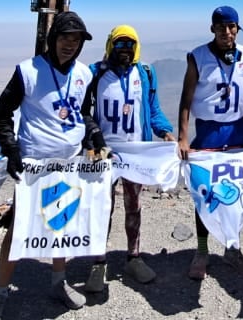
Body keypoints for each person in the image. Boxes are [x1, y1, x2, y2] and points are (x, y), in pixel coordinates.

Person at [0, 11, 107, 318]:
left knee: (61, 224)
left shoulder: (84, 74)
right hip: (34, 166)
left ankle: (58, 282)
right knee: (19, 228)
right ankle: (0, 293)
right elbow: (3, 113)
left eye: (76, 39)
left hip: (70, 164)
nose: (70, 44)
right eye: (65, 37)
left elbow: (83, 113)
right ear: (53, 38)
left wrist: (93, 133)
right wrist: (10, 148)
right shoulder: (28, 71)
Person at [176, 5, 243, 280]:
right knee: (205, 193)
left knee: (236, 193)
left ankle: (233, 250)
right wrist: (183, 136)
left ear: (238, 28)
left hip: (238, 130)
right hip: (209, 132)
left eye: (232, 26)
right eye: (221, 27)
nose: (227, 32)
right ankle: (202, 251)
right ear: (212, 28)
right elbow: (186, 97)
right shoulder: (198, 56)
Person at [79, 24, 175, 291]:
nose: (125, 49)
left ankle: (134, 257)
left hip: (136, 153)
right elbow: (83, 111)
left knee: (134, 206)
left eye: (130, 44)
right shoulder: (95, 73)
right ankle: (98, 263)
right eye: (119, 44)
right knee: (102, 207)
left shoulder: (145, 73)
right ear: (110, 45)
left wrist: (165, 131)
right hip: (103, 154)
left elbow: (152, 109)